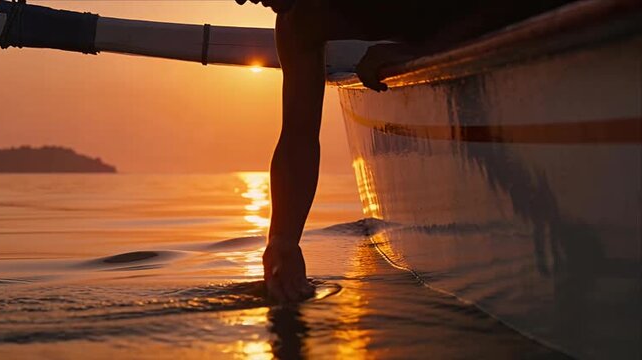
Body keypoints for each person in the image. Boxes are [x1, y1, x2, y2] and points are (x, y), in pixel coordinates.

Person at [235, 0, 572, 302]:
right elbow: (298, 136)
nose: (241, 0)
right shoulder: (299, 22)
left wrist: (424, 51)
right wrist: (282, 239)